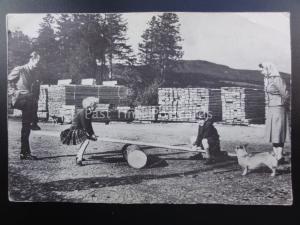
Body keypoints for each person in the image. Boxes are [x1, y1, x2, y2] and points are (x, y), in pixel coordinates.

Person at [8, 52, 40, 160]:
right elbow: (9, 80)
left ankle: (24, 152)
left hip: (29, 100)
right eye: (36, 62)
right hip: (21, 98)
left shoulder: (34, 72)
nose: (37, 65)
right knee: (26, 126)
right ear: (31, 59)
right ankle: (24, 152)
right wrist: (13, 92)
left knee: (26, 127)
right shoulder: (20, 69)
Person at [259, 62, 290, 163]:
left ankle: (279, 156)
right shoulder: (267, 80)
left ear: (269, 69)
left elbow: (285, 95)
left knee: (278, 132)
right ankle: (277, 156)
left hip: (278, 108)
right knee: (273, 133)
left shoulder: (277, 79)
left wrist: (282, 105)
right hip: (271, 108)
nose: (261, 71)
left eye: (263, 69)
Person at [60, 97, 98, 166]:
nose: (96, 106)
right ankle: (79, 158)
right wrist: (91, 135)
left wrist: (92, 134)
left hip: (80, 129)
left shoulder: (88, 112)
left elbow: (89, 124)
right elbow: (85, 125)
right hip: (75, 130)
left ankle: (79, 155)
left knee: (86, 140)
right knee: (86, 140)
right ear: (90, 105)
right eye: (95, 105)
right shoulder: (84, 112)